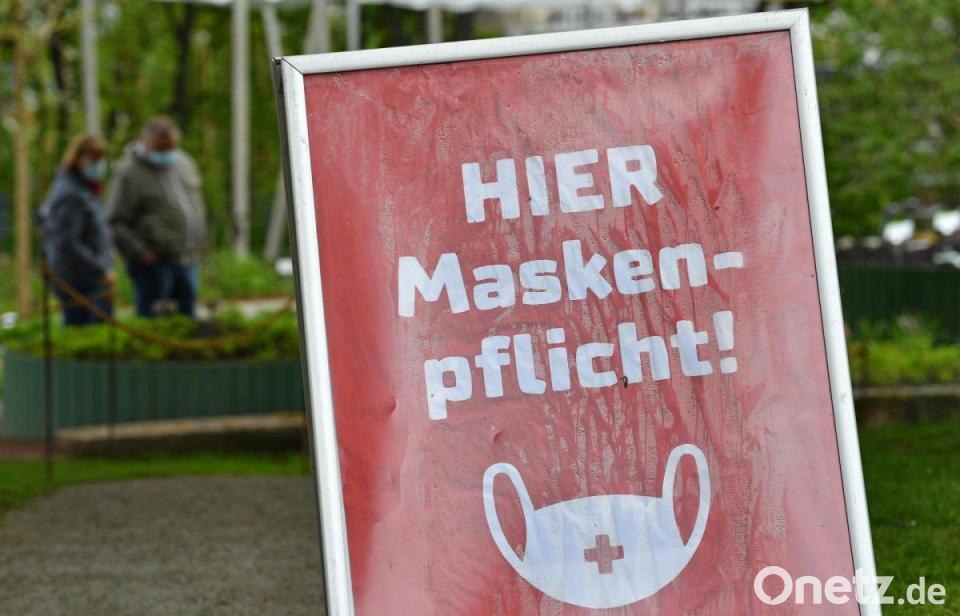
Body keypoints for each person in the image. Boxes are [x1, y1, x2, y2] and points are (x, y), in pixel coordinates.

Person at [108, 116, 206, 317]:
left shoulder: (184, 163)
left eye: (171, 148)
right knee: (155, 322)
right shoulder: (129, 173)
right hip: (154, 265)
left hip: (188, 259)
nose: (167, 153)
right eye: (161, 148)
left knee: (187, 321)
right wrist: (140, 252)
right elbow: (115, 222)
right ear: (146, 142)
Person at [39, 133, 115, 326]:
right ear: (78, 158)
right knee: (83, 330)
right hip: (77, 277)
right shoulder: (69, 194)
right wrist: (100, 268)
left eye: (100, 160)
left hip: (90, 275)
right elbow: (68, 243)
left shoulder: (85, 188)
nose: (97, 165)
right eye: (93, 160)